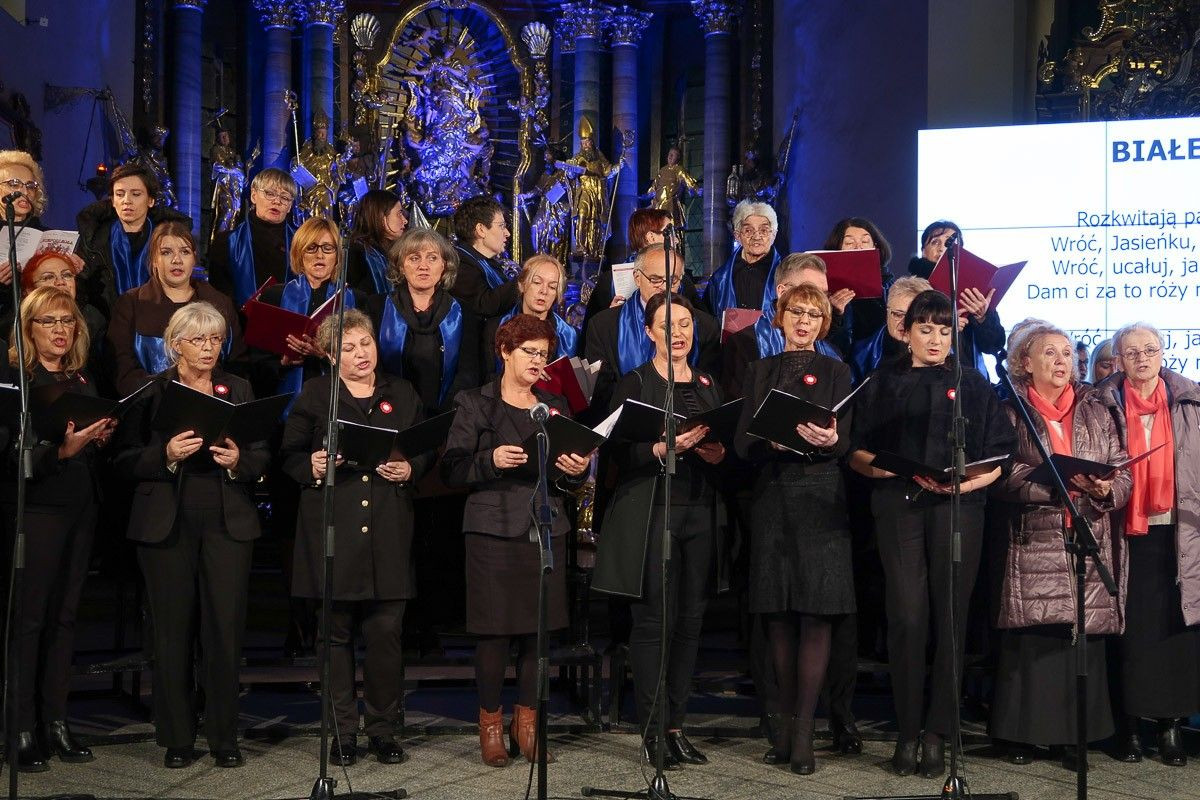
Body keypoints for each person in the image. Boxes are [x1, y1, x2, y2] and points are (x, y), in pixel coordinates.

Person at [849, 289, 1015, 777]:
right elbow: (857, 450)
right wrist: (884, 473)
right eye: (926, 329)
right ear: (906, 332)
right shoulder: (882, 380)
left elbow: (1000, 458)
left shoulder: (973, 384)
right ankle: (906, 730)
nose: (936, 338)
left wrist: (966, 480)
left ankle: (939, 732)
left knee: (951, 618)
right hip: (899, 505)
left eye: (945, 329)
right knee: (906, 617)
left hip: (959, 510)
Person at [114, 302, 270, 769]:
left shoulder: (237, 387)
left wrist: (240, 460)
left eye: (215, 340)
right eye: (198, 340)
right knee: (173, 631)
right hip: (168, 520)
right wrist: (165, 455)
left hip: (227, 519)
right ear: (175, 344)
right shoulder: (153, 392)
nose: (208, 349)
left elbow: (263, 452)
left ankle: (224, 736)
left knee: (223, 630)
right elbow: (122, 461)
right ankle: (178, 736)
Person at [281, 309, 431, 766]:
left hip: (387, 525)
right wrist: (312, 465)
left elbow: (425, 452)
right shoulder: (315, 395)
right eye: (347, 348)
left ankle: (385, 730)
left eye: (364, 343)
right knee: (335, 636)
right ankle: (343, 732)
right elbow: (288, 454)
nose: (360, 353)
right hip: (333, 526)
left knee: (386, 634)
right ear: (329, 355)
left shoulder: (401, 393)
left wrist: (411, 468)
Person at [441, 314, 590, 766]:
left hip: (543, 527)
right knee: (494, 636)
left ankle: (528, 726)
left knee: (535, 636)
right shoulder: (475, 403)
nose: (537, 361)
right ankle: (490, 726)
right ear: (505, 351)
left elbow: (565, 478)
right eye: (529, 352)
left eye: (544, 354)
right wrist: (491, 459)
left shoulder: (554, 405)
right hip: (492, 528)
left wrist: (574, 473)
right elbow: (451, 469)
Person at [593, 292, 728, 770]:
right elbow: (611, 454)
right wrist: (656, 447)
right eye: (668, 325)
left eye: (687, 323)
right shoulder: (634, 383)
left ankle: (676, 727)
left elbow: (724, 446)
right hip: (653, 512)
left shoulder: (710, 383)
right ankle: (651, 730)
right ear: (650, 332)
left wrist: (717, 453)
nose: (679, 333)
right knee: (654, 624)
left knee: (690, 624)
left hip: (701, 512)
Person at [988, 321, 1130, 765]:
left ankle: (1076, 736)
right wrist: (1052, 487)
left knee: (1082, 637)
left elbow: (1123, 468)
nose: (1061, 361)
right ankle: (1022, 736)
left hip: (1088, 531)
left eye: (1067, 353)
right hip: (1036, 533)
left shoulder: (1097, 408)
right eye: (1049, 353)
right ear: (1025, 364)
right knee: (1037, 633)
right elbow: (1001, 475)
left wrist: (1109, 490)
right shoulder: (1011, 410)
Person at [732, 283, 855, 774]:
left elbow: (848, 440)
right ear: (778, 317)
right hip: (772, 496)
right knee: (778, 615)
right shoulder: (760, 370)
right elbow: (742, 443)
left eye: (813, 314)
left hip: (821, 496)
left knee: (816, 614)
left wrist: (832, 437)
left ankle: (804, 731)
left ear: (824, 322)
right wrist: (772, 443)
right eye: (795, 312)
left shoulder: (837, 371)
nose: (803, 321)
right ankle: (783, 726)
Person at [2, 287, 115, 772]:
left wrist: (100, 437)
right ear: (29, 329)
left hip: (79, 507)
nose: (60, 330)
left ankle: (55, 722)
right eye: (49, 322)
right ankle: (20, 728)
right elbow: (9, 452)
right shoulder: (16, 381)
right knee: (28, 622)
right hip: (37, 511)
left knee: (65, 619)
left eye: (67, 322)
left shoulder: (83, 379)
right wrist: (59, 453)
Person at [1094, 323, 1200, 766]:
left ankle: (1171, 726)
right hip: (1122, 528)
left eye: (1150, 350)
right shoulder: (1101, 404)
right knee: (1130, 632)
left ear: (1163, 353)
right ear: (1118, 359)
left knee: (1177, 630)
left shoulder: (1190, 401)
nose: (1142, 358)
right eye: (1132, 352)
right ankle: (1130, 727)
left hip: (1179, 529)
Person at [108, 220, 244, 396]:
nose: (177, 260)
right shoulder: (130, 303)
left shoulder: (219, 303)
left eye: (185, 252)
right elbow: (121, 366)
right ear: (154, 260)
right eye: (166, 252)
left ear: (194, 258)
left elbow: (237, 362)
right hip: (148, 406)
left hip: (210, 403)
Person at [585, 246, 720, 419]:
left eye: (672, 280)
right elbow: (600, 396)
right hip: (626, 427)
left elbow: (708, 391)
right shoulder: (604, 325)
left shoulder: (705, 326)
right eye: (656, 280)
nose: (664, 288)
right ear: (637, 278)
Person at [367, 228, 479, 416]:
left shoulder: (463, 312)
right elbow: (373, 367)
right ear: (401, 266)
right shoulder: (377, 307)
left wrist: (447, 414)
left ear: (444, 265)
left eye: (432, 258)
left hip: (447, 417)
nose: (423, 266)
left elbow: (469, 373)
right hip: (390, 412)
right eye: (414, 258)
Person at [253, 218, 361, 400]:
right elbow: (256, 359)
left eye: (328, 248)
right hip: (284, 398)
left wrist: (325, 354)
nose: (320, 255)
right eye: (311, 247)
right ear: (299, 253)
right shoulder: (273, 296)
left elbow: (366, 360)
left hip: (338, 401)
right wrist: (282, 362)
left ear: (337, 256)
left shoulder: (356, 299)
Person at [720, 252, 847, 397]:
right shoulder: (744, 345)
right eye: (810, 291)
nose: (820, 300)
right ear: (782, 291)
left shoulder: (832, 352)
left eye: (824, 294)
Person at [76, 162, 191, 318]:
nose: (126, 201)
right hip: (107, 328)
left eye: (136, 194)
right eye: (120, 194)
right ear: (112, 200)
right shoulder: (93, 240)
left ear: (151, 200)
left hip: (160, 324)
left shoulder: (168, 240)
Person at [582, 208, 702, 337]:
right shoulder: (609, 281)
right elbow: (591, 331)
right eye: (670, 233)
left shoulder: (682, 280)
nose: (677, 240)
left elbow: (701, 324)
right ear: (651, 237)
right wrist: (611, 316)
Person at [905, 221, 1006, 372]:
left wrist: (983, 317)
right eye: (935, 242)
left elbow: (993, 346)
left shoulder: (974, 288)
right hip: (924, 376)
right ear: (923, 251)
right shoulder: (910, 288)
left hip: (969, 378)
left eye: (949, 243)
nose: (942, 248)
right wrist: (946, 326)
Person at [206, 168, 298, 307]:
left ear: (290, 206)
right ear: (254, 195)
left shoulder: (301, 243)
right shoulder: (226, 242)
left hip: (290, 322)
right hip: (239, 323)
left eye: (285, 198)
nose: (277, 201)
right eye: (270, 193)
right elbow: (218, 295)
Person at [482, 254, 578, 380]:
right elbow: (485, 380)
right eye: (537, 282)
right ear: (522, 285)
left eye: (552, 287)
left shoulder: (568, 335)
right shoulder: (495, 327)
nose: (544, 291)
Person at [704, 200, 782, 323]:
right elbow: (709, 323)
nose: (756, 237)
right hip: (729, 342)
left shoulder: (787, 275)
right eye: (748, 230)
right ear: (737, 235)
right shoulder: (719, 280)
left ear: (774, 234)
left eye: (764, 230)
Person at [821, 217, 893, 349]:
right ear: (837, 249)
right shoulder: (824, 289)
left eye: (865, 241)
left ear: (875, 246)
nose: (858, 247)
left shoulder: (890, 286)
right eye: (849, 243)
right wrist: (835, 313)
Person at [848, 275, 932, 385]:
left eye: (913, 316)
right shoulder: (861, 354)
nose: (904, 323)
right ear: (887, 312)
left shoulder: (942, 353)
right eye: (898, 314)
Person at [450, 195, 519, 319]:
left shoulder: (490, 264)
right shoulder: (460, 264)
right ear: (481, 229)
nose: (507, 233)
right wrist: (524, 281)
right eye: (501, 226)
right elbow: (484, 306)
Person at [346, 189, 408, 295]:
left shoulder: (392, 252)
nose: (405, 220)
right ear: (381, 217)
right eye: (399, 214)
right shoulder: (356, 253)